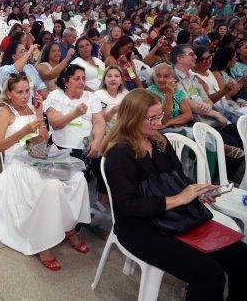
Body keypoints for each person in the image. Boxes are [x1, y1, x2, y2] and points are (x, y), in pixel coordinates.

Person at [102, 88, 247, 301]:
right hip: (140, 228)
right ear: (132, 119)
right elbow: (129, 206)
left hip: (177, 217)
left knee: (242, 258)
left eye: (160, 116)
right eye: (152, 118)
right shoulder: (119, 154)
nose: (159, 123)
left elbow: (179, 179)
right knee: (209, 275)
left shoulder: (159, 141)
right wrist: (180, 198)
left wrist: (197, 191)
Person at [0, 74, 90, 271]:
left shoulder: (31, 108)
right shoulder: (4, 112)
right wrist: (24, 130)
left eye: (27, 91)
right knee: (51, 185)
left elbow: (43, 140)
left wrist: (38, 114)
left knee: (78, 178)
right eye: (19, 92)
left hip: (38, 155)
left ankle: (68, 226)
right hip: (17, 163)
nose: (24, 95)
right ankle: (42, 244)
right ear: (9, 94)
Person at [43, 64, 107, 196]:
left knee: (107, 169)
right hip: (63, 149)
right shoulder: (55, 96)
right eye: (76, 78)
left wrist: (97, 141)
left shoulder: (91, 96)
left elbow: (99, 121)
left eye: (83, 78)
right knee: (78, 177)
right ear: (65, 81)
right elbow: (55, 124)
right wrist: (75, 113)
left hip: (88, 146)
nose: (81, 82)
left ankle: (103, 200)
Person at [147, 63, 194, 128]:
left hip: (174, 127)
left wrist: (169, 123)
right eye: (158, 76)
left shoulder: (178, 92)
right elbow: (162, 120)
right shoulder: (149, 93)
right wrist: (169, 94)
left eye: (166, 76)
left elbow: (188, 115)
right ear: (153, 77)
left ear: (173, 78)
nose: (161, 79)